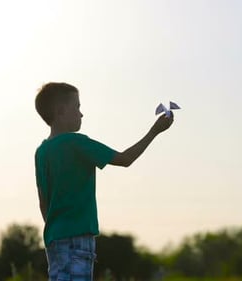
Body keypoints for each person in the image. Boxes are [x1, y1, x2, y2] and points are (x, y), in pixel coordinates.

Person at [34, 82, 174, 281]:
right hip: (79, 236)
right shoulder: (77, 143)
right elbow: (125, 159)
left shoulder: (42, 152)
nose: (81, 114)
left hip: (54, 240)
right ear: (61, 111)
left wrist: (56, 229)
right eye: (77, 107)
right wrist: (155, 131)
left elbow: (43, 201)